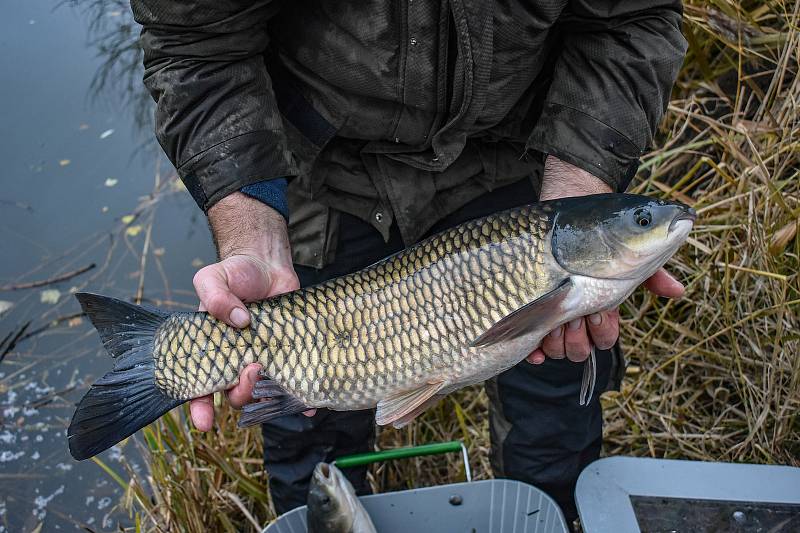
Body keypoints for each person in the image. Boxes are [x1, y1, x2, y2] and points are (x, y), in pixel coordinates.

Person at [131, 0, 688, 523]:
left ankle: (546, 515)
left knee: (555, 411)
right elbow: (196, 43)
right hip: (315, 166)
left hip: (516, 158)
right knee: (310, 437)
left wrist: (580, 189)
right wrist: (253, 239)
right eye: (642, 224)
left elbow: (632, 18)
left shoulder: (561, 243)